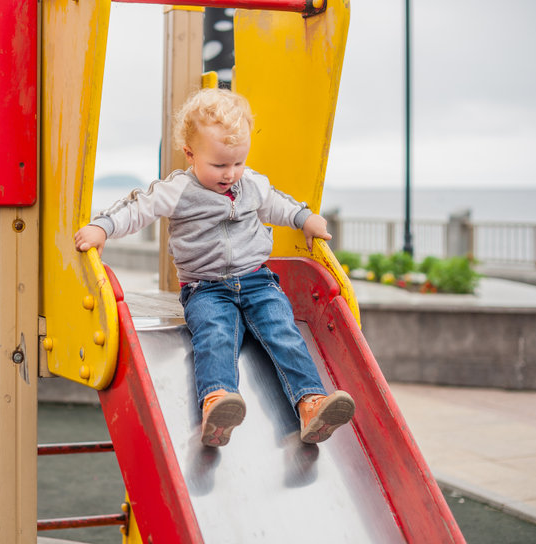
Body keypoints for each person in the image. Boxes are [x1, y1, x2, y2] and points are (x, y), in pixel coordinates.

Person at [75, 88, 355, 447]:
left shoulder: (250, 183)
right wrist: (103, 227)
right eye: (220, 165)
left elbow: (276, 203)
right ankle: (218, 404)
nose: (231, 174)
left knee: (282, 330)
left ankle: (310, 402)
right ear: (190, 155)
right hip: (204, 287)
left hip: (257, 281)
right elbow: (137, 207)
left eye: (238, 163)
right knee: (214, 334)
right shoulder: (177, 189)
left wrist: (305, 218)